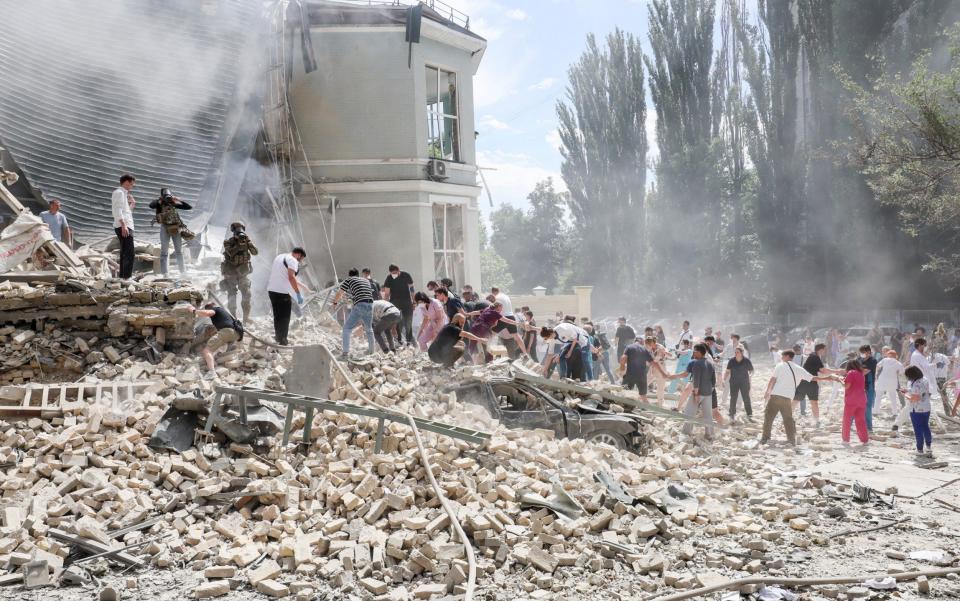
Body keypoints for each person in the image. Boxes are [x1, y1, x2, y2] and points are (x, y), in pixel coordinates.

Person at [761, 349, 834, 447]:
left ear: (787, 356)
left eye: (782, 356)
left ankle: (765, 438)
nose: (781, 358)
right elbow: (812, 378)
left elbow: (773, 379)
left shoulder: (780, 365)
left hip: (776, 396)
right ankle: (791, 440)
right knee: (788, 419)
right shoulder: (798, 368)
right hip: (787, 398)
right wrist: (827, 378)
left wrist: (767, 391)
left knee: (769, 417)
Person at [794, 343, 843, 429]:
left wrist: (836, 372)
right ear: (820, 350)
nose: (825, 351)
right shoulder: (814, 357)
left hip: (812, 381)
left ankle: (816, 421)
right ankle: (787, 417)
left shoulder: (815, 356)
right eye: (824, 350)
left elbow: (821, 370)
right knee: (797, 400)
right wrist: (837, 371)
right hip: (805, 381)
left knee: (813, 402)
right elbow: (823, 370)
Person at [189, 302, 243, 379]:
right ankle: (217, 359)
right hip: (235, 334)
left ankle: (212, 372)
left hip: (227, 331)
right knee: (217, 347)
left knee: (206, 351)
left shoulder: (215, 309)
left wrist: (194, 310)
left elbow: (208, 313)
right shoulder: (224, 312)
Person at [266, 247, 307, 346]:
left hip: (272, 290)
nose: (300, 261)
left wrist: (304, 286)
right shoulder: (293, 260)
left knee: (277, 315)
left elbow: (283, 275)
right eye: (301, 259)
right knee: (285, 317)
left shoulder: (280, 256)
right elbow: (291, 277)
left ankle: (278, 337)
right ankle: (283, 340)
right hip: (282, 292)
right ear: (298, 254)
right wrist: (297, 293)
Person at [333, 268, 376, 358]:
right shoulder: (365, 280)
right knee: (369, 329)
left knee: (347, 328)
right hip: (370, 304)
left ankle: (345, 353)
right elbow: (362, 292)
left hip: (360, 304)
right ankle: (372, 352)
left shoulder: (349, 279)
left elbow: (339, 293)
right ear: (358, 275)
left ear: (350, 275)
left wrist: (335, 303)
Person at [220, 222, 258, 322]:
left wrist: (249, 243)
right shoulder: (228, 241)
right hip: (230, 273)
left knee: (247, 295)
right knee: (232, 295)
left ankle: (246, 318)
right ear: (233, 232)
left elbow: (255, 252)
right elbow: (231, 253)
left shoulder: (246, 241)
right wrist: (238, 244)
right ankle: (234, 319)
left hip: (243, 273)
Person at [149, 188, 192, 275]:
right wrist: (159, 201)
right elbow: (151, 205)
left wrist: (177, 199)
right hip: (164, 227)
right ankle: (165, 273)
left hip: (175, 227)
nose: (167, 198)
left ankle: (183, 272)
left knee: (179, 251)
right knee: (164, 251)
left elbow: (189, 207)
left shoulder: (173, 203)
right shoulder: (159, 203)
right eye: (165, 196)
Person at [676, 343, 716, 440]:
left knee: (690, 411)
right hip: (708, 393)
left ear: (700, 352)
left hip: (698, 393)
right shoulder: (710, 363)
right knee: (708, 414)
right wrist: (710, 390)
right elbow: (713, 380)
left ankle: (686, 432)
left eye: (695, 350)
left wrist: (696, 394)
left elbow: (696, 380)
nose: (693, 352)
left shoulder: (697, 363)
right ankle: (709, 434)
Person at [904, 365, 934, 457]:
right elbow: (922, 391)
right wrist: (908, 390)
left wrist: (905, 394)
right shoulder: (924, 379)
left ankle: (919, 449)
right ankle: (928, 447)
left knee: (918, 430)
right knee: (925, 427)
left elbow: (914, 398)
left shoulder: (916, 383)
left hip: (916, 409)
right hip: (926, 407)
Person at [382, 265, 415, 347]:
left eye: (395, 273)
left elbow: (412, 289)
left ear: (398, 270)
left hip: (407, 301)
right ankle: (399, 340)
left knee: (408, 322)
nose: (394, 274)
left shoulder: (406, 275)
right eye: (392, 273)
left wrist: (414, 301)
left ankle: (409, 341)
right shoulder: (389, 278)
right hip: (395, 302)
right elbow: (386, 293)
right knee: (397, 321)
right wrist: (386, 305)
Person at [111, 174, 137, 279]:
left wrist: (132, 204)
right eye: (131, 183)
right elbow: (117, 210)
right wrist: (124, 225)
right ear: (126, 182)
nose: (132, 185)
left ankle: (123, 277)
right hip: (124, 226)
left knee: (125, 252)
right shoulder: (119, 193)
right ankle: (126, 277)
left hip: (125, 225)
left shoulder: (123, 194)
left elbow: (125, 212)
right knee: (129, 252)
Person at [842, 359, 870, 446]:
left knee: (847, 420)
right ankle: (864, 440)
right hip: (862, 400)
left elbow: (847, 386)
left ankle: (846, 440)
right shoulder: (861, 374)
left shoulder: (850, 372)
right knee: (861, 420)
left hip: (851, 400)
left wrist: (840, 381)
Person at [725, 346, 754, 421]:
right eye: (735, 352)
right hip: (734, 382)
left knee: (746, 398)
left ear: (742, 353)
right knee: (733, 398)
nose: (736, 353)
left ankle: (749, 414)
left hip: (744, 382)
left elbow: (751, 370)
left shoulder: (746, 360)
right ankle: (732, 414)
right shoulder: (731, 360)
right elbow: (727, 371)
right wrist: (723, 379)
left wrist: (750, 376)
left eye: (737, 352)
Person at [875, 348, 905, 422]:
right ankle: (895, 412)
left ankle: (875, 411)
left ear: (888, 355)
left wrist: (876, 374)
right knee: (893, 397)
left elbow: (878, 366)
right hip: (892, 381)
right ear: (895, 356)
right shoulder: (898, 363)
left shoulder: (885, 360)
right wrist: (896, 372)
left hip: (882, 380)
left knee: (878, 396)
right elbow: (901, 372)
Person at [859, 344, 878, 431]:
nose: (862, 354)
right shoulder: (859, 360)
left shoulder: (872, 361)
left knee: (867, 406)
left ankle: (869, 427)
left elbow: (865, 372)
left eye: (863, 352)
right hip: (858, 385)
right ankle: (852, 424)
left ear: (868, 352)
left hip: (869, 386)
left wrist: (853, 375)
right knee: (856, 405)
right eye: (861, 352)